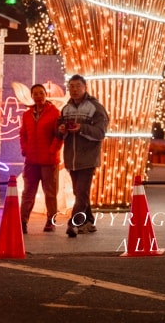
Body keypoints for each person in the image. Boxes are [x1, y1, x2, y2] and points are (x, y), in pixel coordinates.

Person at [58, 74, 109, 238]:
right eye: (71, 86)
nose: (74, 89)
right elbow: (58, 129)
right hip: (71, 158)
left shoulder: (95, 107)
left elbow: (100, 132)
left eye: (77, 86)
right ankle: (89, 222)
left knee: (81, 192)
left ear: (85, 87)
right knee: (79, 192)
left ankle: (73, 223)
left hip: (88, 158)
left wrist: (81, 128)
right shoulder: (66, 109)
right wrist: (60, 130)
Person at [19, 83, 62, 233]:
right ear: (31, 96)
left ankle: (51, 220)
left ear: (45, 95)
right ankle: (22, 221)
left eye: (41, 93)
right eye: (35, 94)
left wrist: (53, 150)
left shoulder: (54, 113)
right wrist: (24, 149)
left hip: (49, 161)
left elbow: (59, 135)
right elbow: (23, 134)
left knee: (50, 193)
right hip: (31, 160)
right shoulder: (26, 115)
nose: (38, 96)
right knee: (28, 192)